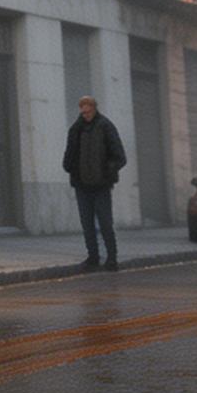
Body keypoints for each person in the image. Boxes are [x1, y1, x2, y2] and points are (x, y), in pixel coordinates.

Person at [62, 95, 128, 270]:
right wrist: (70, 167)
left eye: (88, 111)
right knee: (87, 224)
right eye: (83, 112)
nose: (86, 115)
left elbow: (120, 156)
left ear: (94, 108)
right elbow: (69, 155)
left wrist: (107, 171)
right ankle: (93, 257)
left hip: (101, 185)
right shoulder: (76, 129)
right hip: (82, 185)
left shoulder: (106, 126)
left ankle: (112, 258)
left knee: (105, 223)